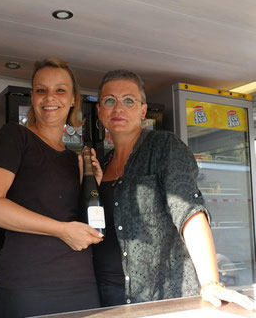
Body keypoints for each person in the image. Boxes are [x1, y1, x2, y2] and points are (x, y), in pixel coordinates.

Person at [92, 69, 256, 310]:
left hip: (162, 293)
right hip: (108, 293)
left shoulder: (164, 146)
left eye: (129, 100)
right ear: (99, 110)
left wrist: (211, 282)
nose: (118, 108)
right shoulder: (103, 164)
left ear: (143, 110)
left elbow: (188, 210)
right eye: (109, 100)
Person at [0, 58, 103, 318]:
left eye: (60, 90)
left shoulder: (72, 157)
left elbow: (73, 219)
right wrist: (62, 231)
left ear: (73, 99)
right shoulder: (15, 137)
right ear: (32, 96)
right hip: (29, 286)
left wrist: (91, 187)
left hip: (82, 285)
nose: (49, 98)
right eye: (41, 90)